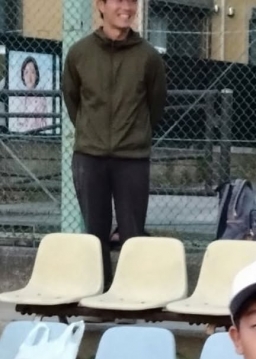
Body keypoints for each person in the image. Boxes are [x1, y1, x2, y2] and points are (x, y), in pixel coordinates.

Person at [62, 0, 166, 287]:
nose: (127, 8)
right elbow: (73, 100)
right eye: (119, 0)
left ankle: (131, 295)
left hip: (132, 158)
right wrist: (91, 132)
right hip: (89, 157)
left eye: (132, 1)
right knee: (95, 234)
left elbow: (156, 105)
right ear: (101, 5)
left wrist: (133, 134)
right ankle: (99, 293)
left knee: (133, 235)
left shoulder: (148, 57)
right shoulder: (79, 53)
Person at [14, 57, 49, 133]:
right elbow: (17, 124)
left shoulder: (41, 98)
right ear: (23, 76)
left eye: (32, 72)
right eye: (26, 72)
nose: (29, 77)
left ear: (37, 75)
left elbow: (44, 124)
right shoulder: (19, 99)